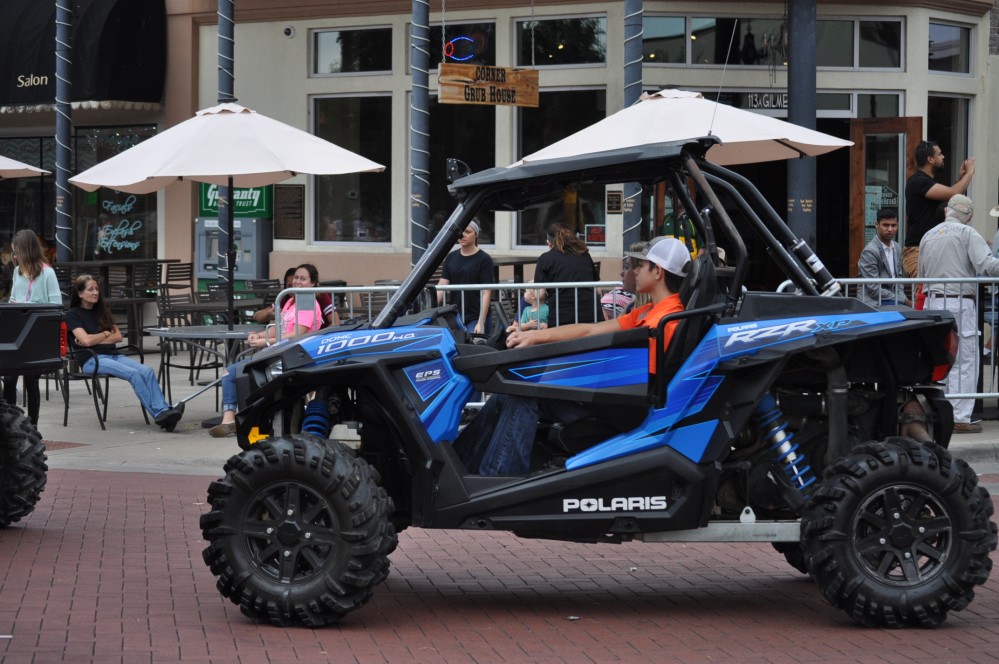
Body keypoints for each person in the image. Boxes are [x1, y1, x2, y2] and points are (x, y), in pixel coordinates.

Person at [454, 237, 690, 476]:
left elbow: (632, 376)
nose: (634, 271)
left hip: (621, 408)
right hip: (612, 398)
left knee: (522, 392)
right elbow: (590, 330)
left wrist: (557, 364)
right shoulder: (649, 312)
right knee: (505, 395)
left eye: (640, 266)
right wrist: (536, 337)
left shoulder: (665, 320)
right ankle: (460, 467)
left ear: (658, 271)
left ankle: (497, 478)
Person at [209, 264, 325, 437]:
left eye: (303, 278)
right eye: (296, 278)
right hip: (277, 354)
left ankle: (246, 422)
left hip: (292, 357)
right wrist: (258, 334)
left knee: (238, 374)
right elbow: (278, 327)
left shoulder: (307, 303)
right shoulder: (291, 300)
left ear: (313, 283)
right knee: (231, 373)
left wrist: (265, 342)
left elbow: (296, 335)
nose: (297, 281)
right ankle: (229, 418)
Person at [918, 195, 999, 434]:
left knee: (939, 359)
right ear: (970, 217)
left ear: (946, 212)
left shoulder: (928, 235)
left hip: (932, 302)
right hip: (959, 303)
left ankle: (937, 411)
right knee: (965, 359)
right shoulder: (967, 233)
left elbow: (921, 271)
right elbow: (987, 265)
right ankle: (959, 416)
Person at [66, 275, 183, 430]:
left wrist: (97, 338)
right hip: (92, 359)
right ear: (80, 294)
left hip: (114, 355)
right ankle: (161, 413)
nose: (95, 292)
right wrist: (106, 334)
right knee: (133, 374)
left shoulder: (102, 311)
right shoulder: (73, 314)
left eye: (97, 289)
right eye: (90, 289)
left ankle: (165, 413)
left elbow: (118, 337)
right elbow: (86, 343)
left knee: (147, 371)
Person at [1, 230, 63, 425]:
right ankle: (12, 422)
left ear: (25, 250)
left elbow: (56, 305)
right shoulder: (18, 273)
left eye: (16, 252)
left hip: (37, 332)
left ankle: (33, 424)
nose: (14, 256)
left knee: (31, 379)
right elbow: (14, 298)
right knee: (9, 378)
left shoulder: (47, 273)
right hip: (17, 330)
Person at [901, 140, 975, 277]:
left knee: (933, 293)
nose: (943, 157)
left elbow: (951, 195)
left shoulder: (926, 182)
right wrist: (969, 173)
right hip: (917, 250)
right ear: (930, 159)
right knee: (923, 293)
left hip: (930, 249)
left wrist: (961, 179)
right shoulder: (918, 181)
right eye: (939, 154)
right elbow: (953, 193)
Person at [437, 220, 494, 334]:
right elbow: (441, 286)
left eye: (468, 232)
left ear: (476, 234)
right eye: (460, 232)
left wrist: (481, 321)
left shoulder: (484, 259)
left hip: (475, 316)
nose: (462, 235)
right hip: (456, 316)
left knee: (473, 345)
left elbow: (486, 292)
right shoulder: (451, 257)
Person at [536, 223, 598, 327]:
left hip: (561, 317)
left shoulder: (545, 258)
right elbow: (598, 290)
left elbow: (540, 294)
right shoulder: (584, 255)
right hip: (592, 315)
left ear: (549, 243)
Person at [857, 208, 910, 307]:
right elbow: (874, 289)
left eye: (893, 225)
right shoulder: (870, 251)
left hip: (892, 300)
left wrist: (902, 298)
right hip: (873, 302)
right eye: (886, 225)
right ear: (877, 225)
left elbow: (899, 278)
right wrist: (903, 301)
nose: (890, 229)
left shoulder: (897, 248)